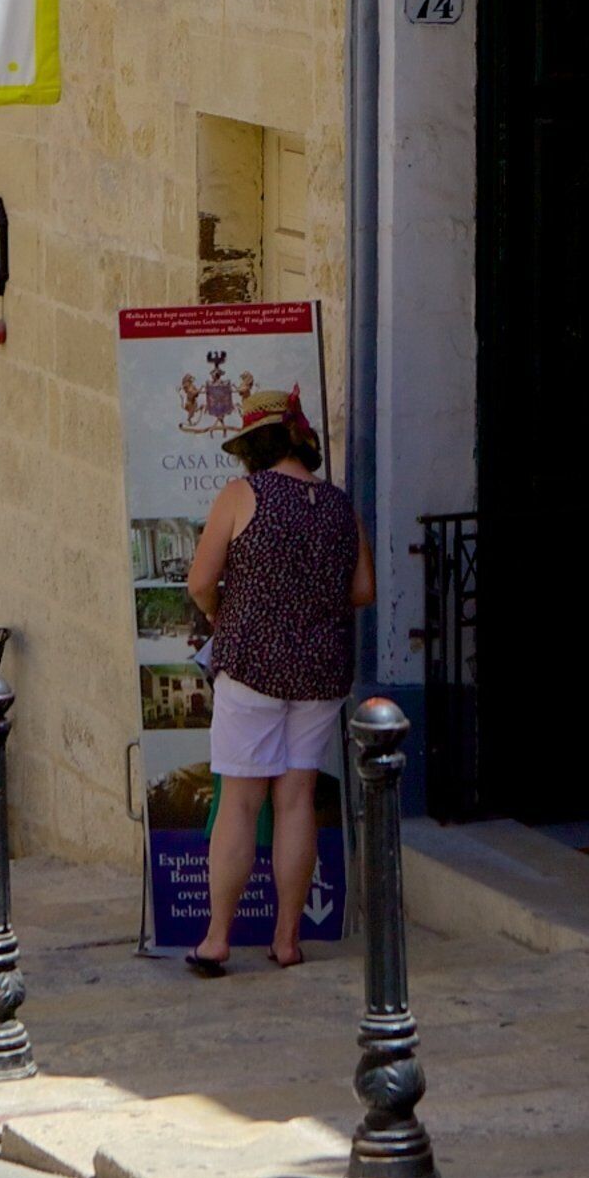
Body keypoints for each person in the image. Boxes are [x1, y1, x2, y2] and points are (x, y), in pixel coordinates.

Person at [180, 390, 371, 975]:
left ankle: (217, 939)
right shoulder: (339, 505)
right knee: (296, 801)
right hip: (320, 672)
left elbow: (200, 580)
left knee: (240, 802)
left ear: (255, 446)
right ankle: (288, 940)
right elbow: (362, 591)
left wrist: (220, 613)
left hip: (252, 666)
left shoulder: (243, 495)